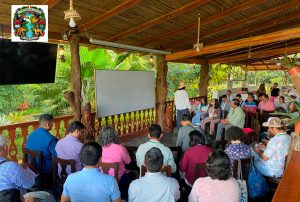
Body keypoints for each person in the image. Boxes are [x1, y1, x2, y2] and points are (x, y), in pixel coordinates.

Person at [98, 126, 134, 200]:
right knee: (132, 175)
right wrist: (125, 149)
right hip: (119, 179)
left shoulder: (99, 148)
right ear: (114, 135)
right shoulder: (120, 148)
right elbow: (128, 161)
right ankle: (124, 197)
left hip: (103, 179)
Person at [25, 114, 57, 188]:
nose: (53, 125)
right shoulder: (51, 139)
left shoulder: (31, 135)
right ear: (48, 124)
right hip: (46, 170)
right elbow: (56, 156)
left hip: (31, 168)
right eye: (52, 123)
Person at [0, 135, 35, 200]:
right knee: (47, 196)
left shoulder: (11, 166)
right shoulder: (11, 167)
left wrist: (18, 167)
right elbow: (30, 184)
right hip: (17, 198)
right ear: (5, 148)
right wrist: (20, 170)